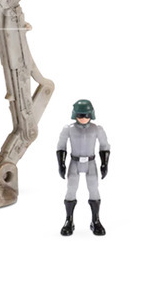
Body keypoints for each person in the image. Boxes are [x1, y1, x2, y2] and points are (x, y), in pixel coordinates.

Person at [56, 99, 110, 235]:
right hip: (74, 161)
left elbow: (104, 145)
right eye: (80, 116)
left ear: (91, 115)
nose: (84, 119)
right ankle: (69, 220)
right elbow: (61, 146)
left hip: (90, 162)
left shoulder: (96, 129)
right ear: (75, 115)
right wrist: (61, 163)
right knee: (71, 189)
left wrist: (104, 163)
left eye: (86, 115)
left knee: (94, 189)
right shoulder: (68, 129)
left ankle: (95, 220)